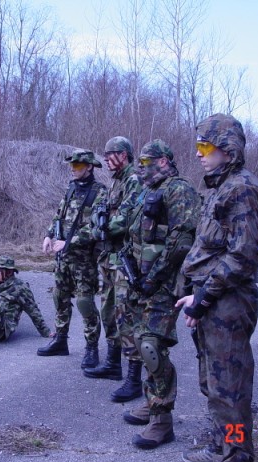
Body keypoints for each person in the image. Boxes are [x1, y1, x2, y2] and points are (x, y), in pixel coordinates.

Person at [175, 114, 258, 462]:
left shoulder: (242, 188)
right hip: (213, 299)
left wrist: (204, 297)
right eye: (197, 146)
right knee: (213, 384)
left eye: (204, 146)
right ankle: (221, 449)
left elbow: (242, 257)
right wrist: (195, 295)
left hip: (228, 302)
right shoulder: (219, 186)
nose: (198, 154)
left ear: (227, 151)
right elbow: (208, 249)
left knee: (229, 390)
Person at [122, 140, 201, 450]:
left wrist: (153, 278)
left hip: (164, 282)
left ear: (165, 162)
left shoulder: (179, 189)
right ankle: (152, 401)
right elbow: (135, 232)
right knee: (140, 342)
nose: (142, 167)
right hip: (141, 280)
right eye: (139, 162)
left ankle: (162, 420)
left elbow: (182, 240)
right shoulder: (144, 190)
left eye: (147, 161)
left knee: (151, 346)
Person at [83, 137, 144, 399]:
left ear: (125, 155)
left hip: (124, 259)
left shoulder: (134, 181)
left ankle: (134, 378)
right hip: (108, 258)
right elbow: (102, 212)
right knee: (109, 311)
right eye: (106, 154)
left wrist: (104, 225)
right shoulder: (116, 182)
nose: (106, 159)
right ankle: (112, 364)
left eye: (111, 154)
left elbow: (127, 219)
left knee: (125, 316)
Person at [37, 148, 108, 369]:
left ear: (89, 167)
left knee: (85, 303)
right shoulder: (70, 189)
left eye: (77, 165)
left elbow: (97, 228)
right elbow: (59, 215)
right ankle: (60, 340)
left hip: (84, 259)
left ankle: (92, 348)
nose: (73, 169)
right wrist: (49, 235)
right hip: (63, 258)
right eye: (72, 165)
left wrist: (69, 242)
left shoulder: (100, 192)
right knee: (60, 298)